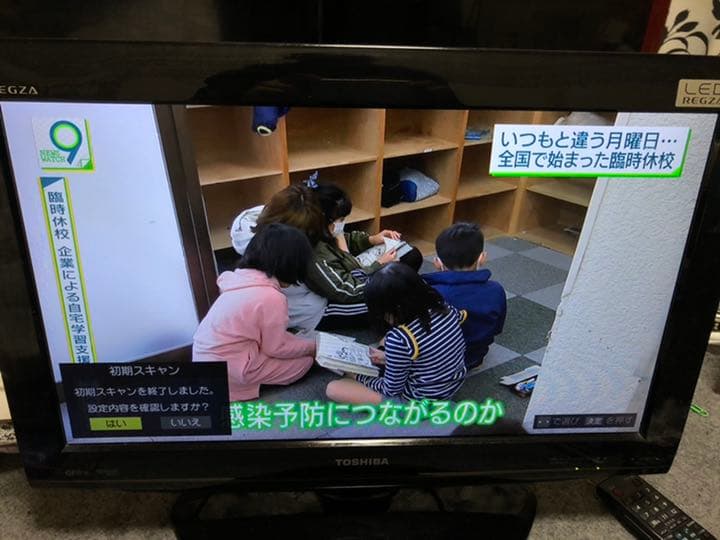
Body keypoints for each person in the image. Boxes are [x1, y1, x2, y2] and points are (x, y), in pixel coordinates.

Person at [193, 223, 316, 402]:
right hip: (233, 370)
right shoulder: (271, 297)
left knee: (292, 346)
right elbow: (276, 348)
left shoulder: (239, 280)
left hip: (205, 361)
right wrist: (313, 347)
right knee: (304, 364)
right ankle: (247, 386)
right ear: (290, 265)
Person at [325, 262, 467, 404]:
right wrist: (387, 357)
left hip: (419, 401)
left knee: (334, 388)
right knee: (385, 342)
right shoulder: (443, 308)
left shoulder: (400, 338)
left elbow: (390, 390)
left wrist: (358, 376)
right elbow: (433, 348)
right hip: (453, 383)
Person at [307, 182, 422, 330]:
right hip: (331, 304)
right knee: (393, 299)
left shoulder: (326, 232)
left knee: (411, 255)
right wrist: (379, 265)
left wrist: (372, 240)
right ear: (324, 220)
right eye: (341, 220)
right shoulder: (316, 253)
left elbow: (347, 239)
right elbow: (346, 291)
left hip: (355, 273)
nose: (343, 223)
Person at [229, 185, 329, 331]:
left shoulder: (253, 219)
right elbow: (301, 279)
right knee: (317, 300)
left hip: (254, 294)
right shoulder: (277, 251)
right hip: (276, 304)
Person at [423, 223, 506, 369]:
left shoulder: (429, 292)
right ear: (482, 258)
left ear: (437, 262)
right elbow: (497, 328)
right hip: (474, 357)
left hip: (435, 361)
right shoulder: (496, 290)